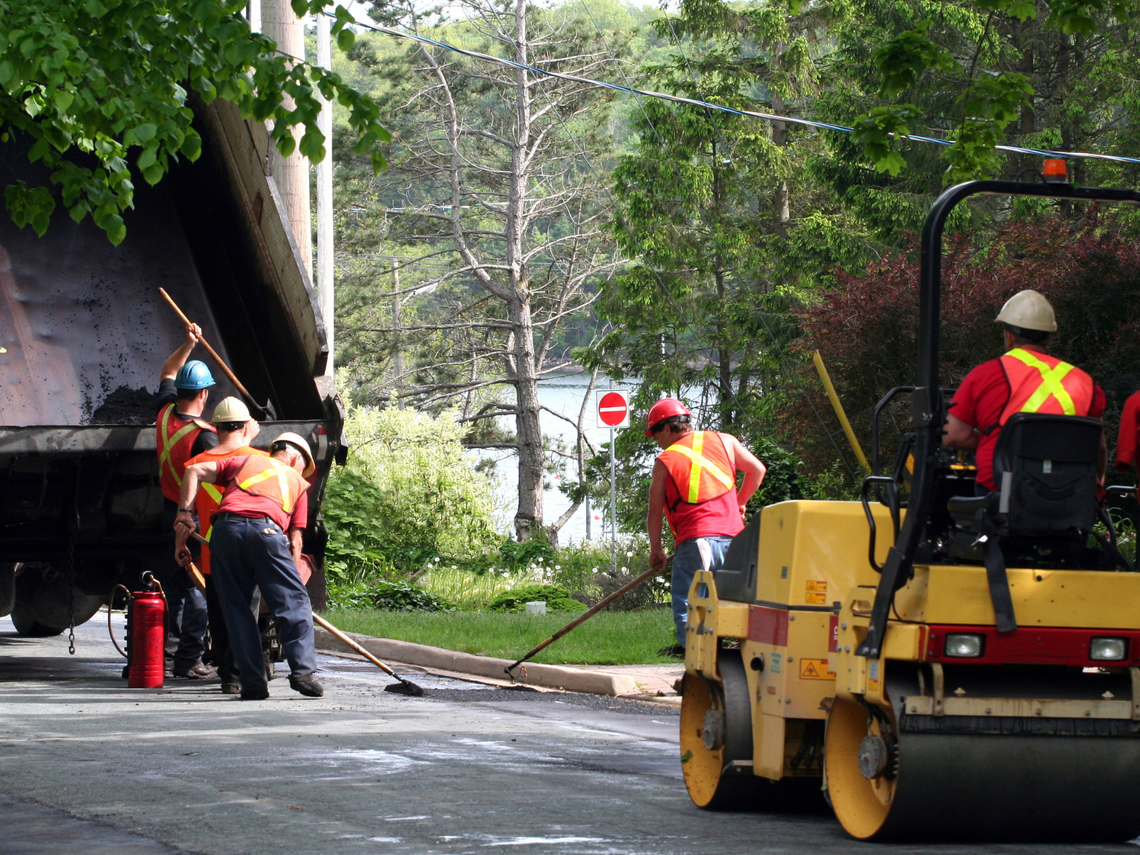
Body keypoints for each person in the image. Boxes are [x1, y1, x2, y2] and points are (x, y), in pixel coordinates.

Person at [175, 433, 322, 700]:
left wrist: (185, 514)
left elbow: (193, 470)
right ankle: (302, 673)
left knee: (238, 612)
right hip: (267, 532)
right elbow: (295, 541)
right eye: (304, 467)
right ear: (295, 457)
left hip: (224, 533)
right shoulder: (298, 483)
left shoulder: (243, 462)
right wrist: (289, 583)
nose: (304, 473)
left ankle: (253, 684)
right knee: (295, 604)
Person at [943, 289, 1107, 491]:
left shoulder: (986, 375)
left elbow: (953, 435)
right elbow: (1097, 448)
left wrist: (999, 443)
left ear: (1009, 336)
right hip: (1068, 495)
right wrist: (1096, 488)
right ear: (1048, 338)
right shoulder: (1085, 383)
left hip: (1002, 491)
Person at [645, 398, 767, 651]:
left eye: (655, 434)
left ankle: (697, 668)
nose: (656, 441)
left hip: (697, 542)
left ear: (667, 429)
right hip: (736, 542)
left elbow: (654, 512)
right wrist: (739, 501)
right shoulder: (726, 441)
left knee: (692, 607)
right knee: (734, 606)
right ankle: (728, 666)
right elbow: (757, 470)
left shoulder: (665, 461)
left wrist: (656, 549)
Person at [183, 397, 268, 695]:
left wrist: (180, 545)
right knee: (247, 609)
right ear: (246, 427)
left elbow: (185, 516)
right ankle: (240, 671)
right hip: (251, 548)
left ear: (215, 427)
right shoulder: (260, 460)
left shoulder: (195, 465)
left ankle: (228, 674)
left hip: (212, 551)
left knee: (219, 614)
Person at [156, 322, 219, 679]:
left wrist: (188, 344)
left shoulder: (164, 413)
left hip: (167, 509)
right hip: (193, 518)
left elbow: (167, 370)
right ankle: (188, 660)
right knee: (198, 587)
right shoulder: (204, 439)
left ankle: (165, 654)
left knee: (174, 586)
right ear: (205, 395)